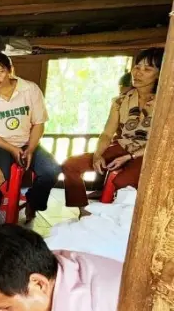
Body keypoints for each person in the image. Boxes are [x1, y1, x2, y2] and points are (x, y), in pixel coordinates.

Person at [61, 48, 163, 216]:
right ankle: (83, 211)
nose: (138, 73)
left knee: (122, 182)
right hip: (122, 147)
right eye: (137, 67)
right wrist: (97, 155)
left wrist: (130, 157)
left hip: (147, 152)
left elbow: (162, 142)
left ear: (159, 74)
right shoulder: (120, 101)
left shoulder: (166, 102)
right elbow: (107, 134)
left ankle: (120, 218)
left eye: (147, 69)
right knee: (71, 165)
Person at [0, 52, 60, 224]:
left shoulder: (29, 89)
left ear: (10, 70)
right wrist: (11, 148)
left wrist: (30, 148)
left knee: (51, 171)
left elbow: (39, 123)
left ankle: (33, 202)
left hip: (28, 142)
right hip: (0, 145)